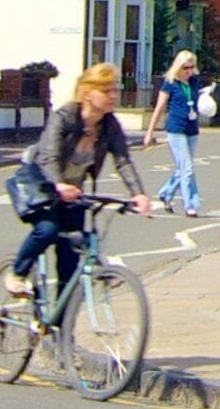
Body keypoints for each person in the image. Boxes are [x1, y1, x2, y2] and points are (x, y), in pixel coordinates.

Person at [14, 62, 153, 309]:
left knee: (69, 263)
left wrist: (139, 194)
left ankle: (61, 335)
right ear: (88, 93)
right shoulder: (65, 117)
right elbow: (49, 156)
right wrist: (58, 184)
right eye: (106, 91)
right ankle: (17, 274)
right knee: (47, 231)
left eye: (114, 90)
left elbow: (123, 161)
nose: (113, 96)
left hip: (73, 193)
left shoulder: (109, 125)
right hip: (42, 186)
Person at [151, 50, 209, 217]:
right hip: (176, 129)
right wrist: (150, 132)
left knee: (184, 168)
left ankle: (165, 193)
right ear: (178, 66)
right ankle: (190, 205)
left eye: (192, 67)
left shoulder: (195, 82)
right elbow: (159, 108)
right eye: (185, 67)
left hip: (192, 129)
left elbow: (200, 102)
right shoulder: (170, 83)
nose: (189, 70)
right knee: (187, 168)